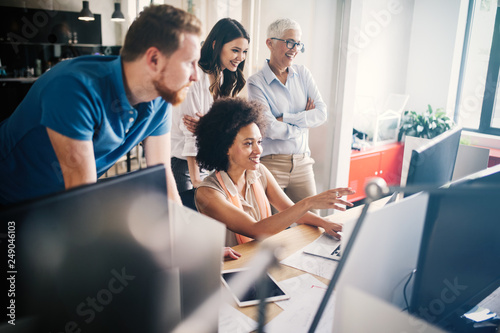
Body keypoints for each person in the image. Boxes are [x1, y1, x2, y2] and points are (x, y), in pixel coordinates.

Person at [0, 5, 201, 206]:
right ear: (154, 59)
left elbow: (163, 177)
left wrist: (181, 226)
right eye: (189, 63)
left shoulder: (159, 98)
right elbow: (83, 197)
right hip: (12, 199)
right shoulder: (73, 88)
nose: (196, 76)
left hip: (56, 202)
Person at [194, 98, 354, 247]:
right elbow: (256, 230)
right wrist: (309, 203)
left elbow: (288, 209)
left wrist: (324, 223)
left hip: (259, 261)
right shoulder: (208, 193)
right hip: (230, 271)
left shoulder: (260, 172)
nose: (258, 150)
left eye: (259, 142)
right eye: (249, 143)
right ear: (224, 148)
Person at [247, 18, 327, 211]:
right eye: (289, 42)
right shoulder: (255, 83)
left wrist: (287, 119)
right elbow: (269, 128)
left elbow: (322, 113)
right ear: (270, 43)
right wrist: (303, 122)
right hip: (271, 165)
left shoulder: (303, 74)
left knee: (313, 224)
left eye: (298, 44)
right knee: (273, 229)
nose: (295, 49)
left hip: (303, 163)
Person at [171, 18, 250, 193]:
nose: (241, 57)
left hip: (206, 161)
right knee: (186, 216)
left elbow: (222, 127)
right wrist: (196, 179)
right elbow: (190, 132)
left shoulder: (221, 76)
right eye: (235, 50)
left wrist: (207, 127)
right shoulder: (195, 76)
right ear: (216, 45)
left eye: (244, 51)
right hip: (184, 164)